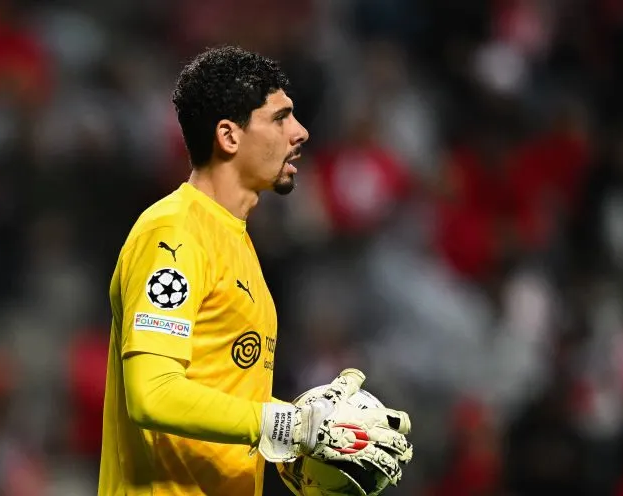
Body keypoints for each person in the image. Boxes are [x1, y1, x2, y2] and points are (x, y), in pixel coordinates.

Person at [98, 45, 413, 496]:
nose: (300, 132)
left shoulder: (238, 243)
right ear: (229, 137)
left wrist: (313, 439)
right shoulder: (174, 233)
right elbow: (153, 394)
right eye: (280, 118)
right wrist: (290, 424)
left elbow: (229, 405)